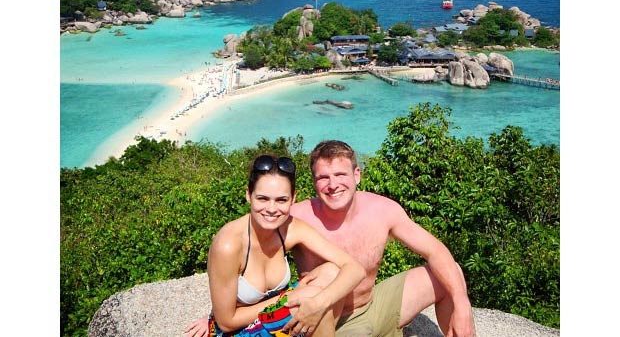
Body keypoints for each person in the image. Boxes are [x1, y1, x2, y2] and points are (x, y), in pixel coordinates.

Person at [290, 140, 477, 337]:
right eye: (323, 178)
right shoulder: (298, 218)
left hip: (374, 305)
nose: (333, 185)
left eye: (340, 175)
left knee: (449, 274)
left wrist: (462, 304)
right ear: (314, 182)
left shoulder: (381, 210)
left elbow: (435, 250)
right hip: (329, 323)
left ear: (356, 175)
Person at [184, 155, 365, 337]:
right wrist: (288, 298)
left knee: (331, 273)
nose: (271, 209)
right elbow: (226, 322)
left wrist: (320, 302)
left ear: (293, 198)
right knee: (308, 298)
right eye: (263, 199)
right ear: (249, 195)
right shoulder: (229, 245)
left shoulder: (290, 228)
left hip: (272, 317)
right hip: (237, 331)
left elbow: (355, 269)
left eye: (281, 200)